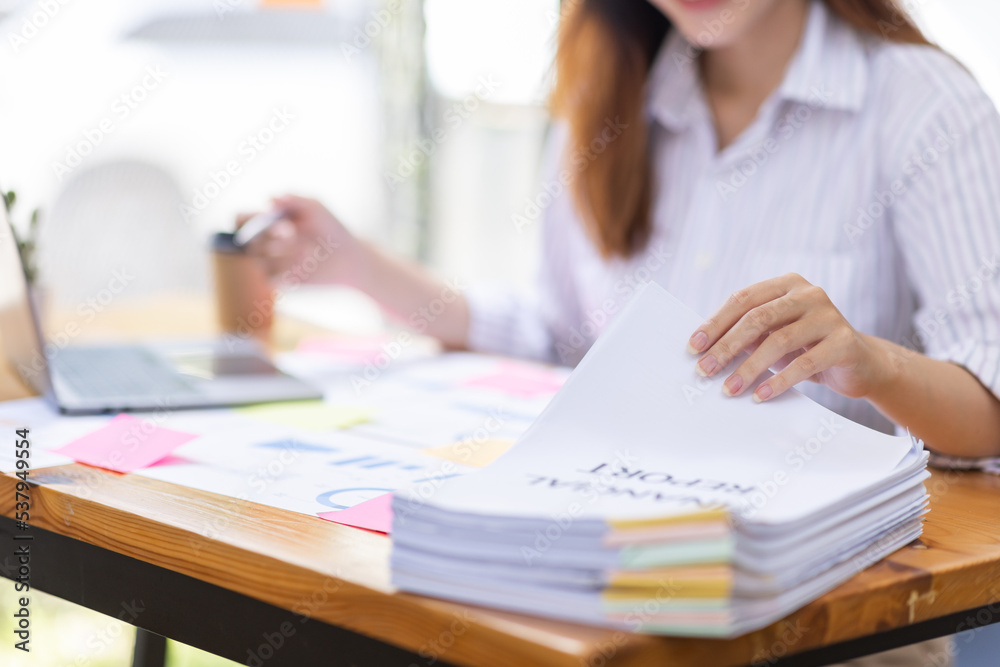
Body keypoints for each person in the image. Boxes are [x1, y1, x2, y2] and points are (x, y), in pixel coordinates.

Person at [242, 0, 1000, 663]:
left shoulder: (924, 106)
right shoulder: (607, 99)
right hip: (601, 580)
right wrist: (356, 267)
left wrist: (871, 363)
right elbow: (559, 337)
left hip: (826, 616)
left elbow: (990, 405)